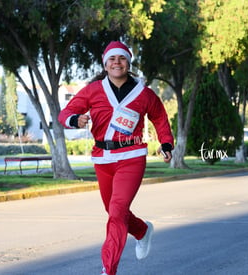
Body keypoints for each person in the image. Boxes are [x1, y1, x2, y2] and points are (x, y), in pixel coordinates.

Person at [58, 41, 174, 275]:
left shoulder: (144, 93)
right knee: (113, 211)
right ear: (105, 64)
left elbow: (160, 117)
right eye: (112, 59)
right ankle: (142, 231)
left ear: (128, 63)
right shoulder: (93, 90)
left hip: (131, 156)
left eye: (121, 58)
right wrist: (75, 120)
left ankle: (108, 269)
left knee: (118, 210)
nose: (117, 63)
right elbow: (66, 113)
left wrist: (166, 143)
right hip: (103, 159)